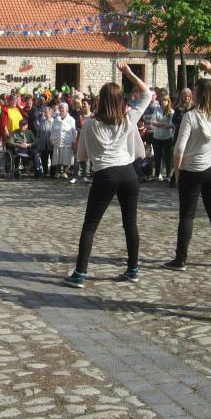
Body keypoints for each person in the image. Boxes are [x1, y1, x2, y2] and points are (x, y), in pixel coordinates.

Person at [64, 62, 150, 287]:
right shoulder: (127, 119)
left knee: (90, 225)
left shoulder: (91, 124)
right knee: (130, 223)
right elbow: (147, 94)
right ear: (121, 100)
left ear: (100, 100)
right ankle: (133, 269)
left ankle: (80, 273)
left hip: (105, 174)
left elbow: (82, 154)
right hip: (128, 173)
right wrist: (129, 73)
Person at [164, 60, 211, 270]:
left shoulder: (190, 117)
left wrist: (178, 173)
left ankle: (180, 259)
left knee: (187, 215)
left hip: (192, 170)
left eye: (195, 91)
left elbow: (179, 149)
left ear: (201, 95)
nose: (192, 93)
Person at [151, 92, 174, 182]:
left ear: (168, 101)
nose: (163, 102)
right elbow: (153, 122)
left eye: (165, 100)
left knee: (168, 157)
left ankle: (168, 175)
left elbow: (171, 125)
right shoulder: (157, 110)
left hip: (167, 137)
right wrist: (164, 124)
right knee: (157, 157)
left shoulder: (171, 112)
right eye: (162, 100)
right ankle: (157, 175)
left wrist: (159, 124)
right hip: (156, 137)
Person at [50, 102, 77, 179]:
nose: (61, 109)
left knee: (66, 158)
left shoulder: (71, 119)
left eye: (63, 108)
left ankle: (65, 172)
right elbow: (52, 130)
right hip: (57, 140)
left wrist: (74, 141)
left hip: (67, 141)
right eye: (60, 108)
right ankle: (58, 172)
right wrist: (51, 139)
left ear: (67, 109)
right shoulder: (56, 119)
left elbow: (74, 132)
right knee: (58, 157)